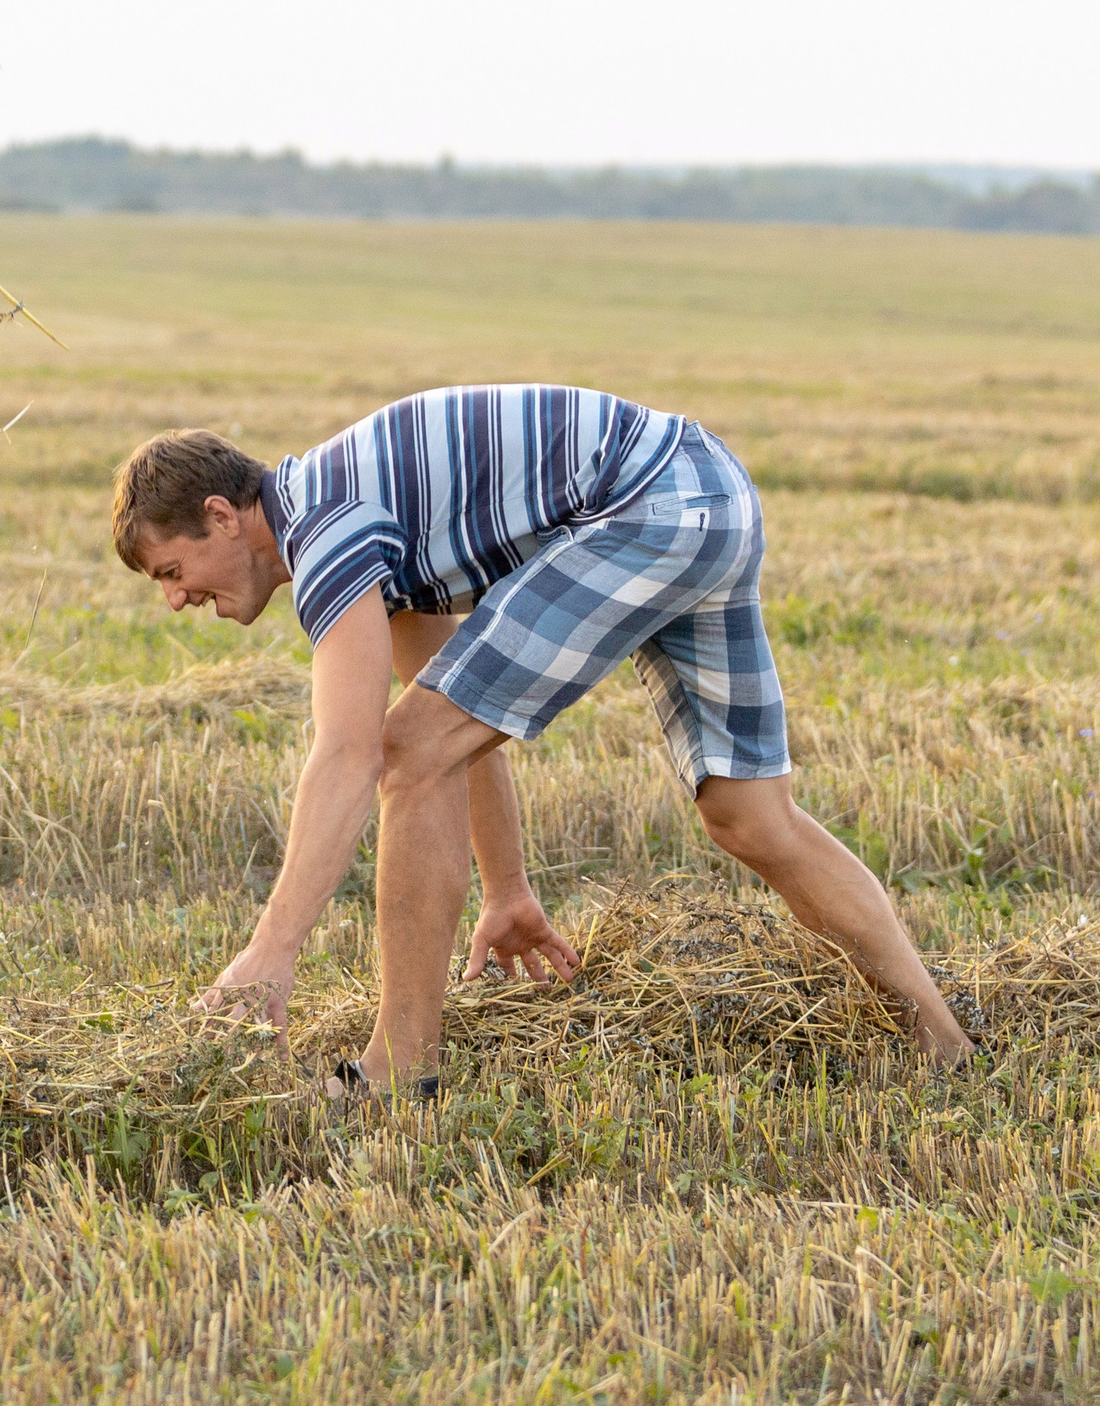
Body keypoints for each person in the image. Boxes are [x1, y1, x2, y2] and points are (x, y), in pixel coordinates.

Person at [111, 384, 973, 1094]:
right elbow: (447, 719)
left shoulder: (324, 527)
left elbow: (353, 754)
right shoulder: (362, 511)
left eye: (171, 572)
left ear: (223, 515)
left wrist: (271, 953)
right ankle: (947, 1050)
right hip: (709, 490)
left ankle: (400, 1070)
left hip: (653, 506)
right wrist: (508, 890)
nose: (175, 600)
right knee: (752, 818)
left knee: (405, 754)